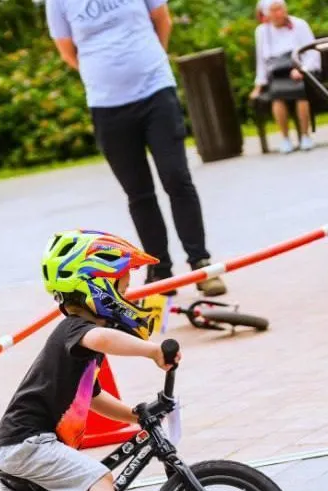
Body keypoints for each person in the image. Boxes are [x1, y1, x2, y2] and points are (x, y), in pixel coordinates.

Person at [0, 230, 189, 491]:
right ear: (97, 287)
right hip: (29, 443)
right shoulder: (76, 329)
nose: (127, 293)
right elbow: (102, 338)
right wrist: (152, 350)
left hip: (18, 447)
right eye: (122, 286)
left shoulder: (83, 345)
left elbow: (93, 397)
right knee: (99, 477)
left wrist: (134, 414)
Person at [44, 0, 227, 296]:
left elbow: (162, 19)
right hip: (106, 104)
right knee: (138, 193)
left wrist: (149, 59)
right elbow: (67, 51)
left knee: (176, 177)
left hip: (155, 91)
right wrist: (101, 73)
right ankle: (160, 271)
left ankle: (200, 264)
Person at [250, 0, 321, 154]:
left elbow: (312, 52)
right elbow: (261, 61)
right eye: (274, 10)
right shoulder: (262, 31)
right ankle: (285, 138)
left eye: (280, 9)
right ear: (266, 14)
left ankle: (305, 136)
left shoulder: (299, 25)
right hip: (278, 73)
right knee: (277, 96)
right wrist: (259, 84)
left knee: (301, 94)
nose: (279, 14)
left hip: (301, 69)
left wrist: (303, 69)